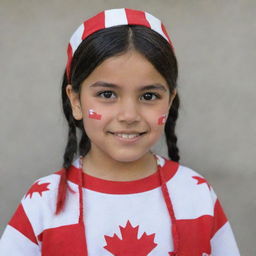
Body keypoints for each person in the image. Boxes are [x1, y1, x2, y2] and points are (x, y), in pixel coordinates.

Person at [0, 8, 240, 256]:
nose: (128, 115)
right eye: (107, 94)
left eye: (149, 96)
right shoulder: (43, 202)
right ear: (76, 101)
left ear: (169, 102)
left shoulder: (197, 195)